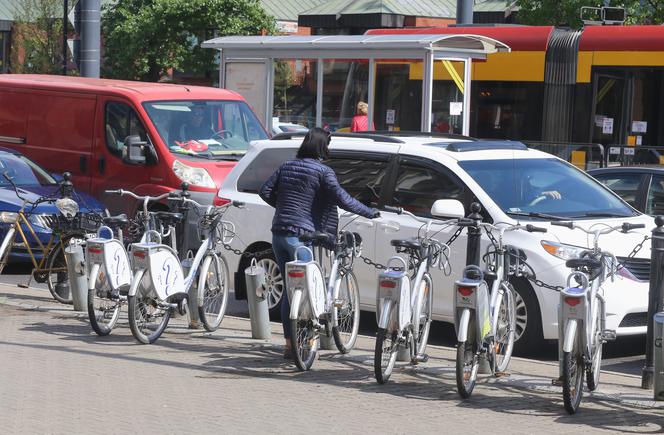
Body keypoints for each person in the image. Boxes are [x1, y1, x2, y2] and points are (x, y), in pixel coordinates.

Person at [259, 127, 380, 357]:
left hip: (279, 234)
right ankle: (304, 341)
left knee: (289, 291)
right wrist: (369, 212)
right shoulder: (323, 171)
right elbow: (342, 199)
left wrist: (284, 208)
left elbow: (265, 191)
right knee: (308, 289)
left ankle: (288, 344)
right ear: (323, 147)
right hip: (302, 236)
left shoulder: (286, 166)